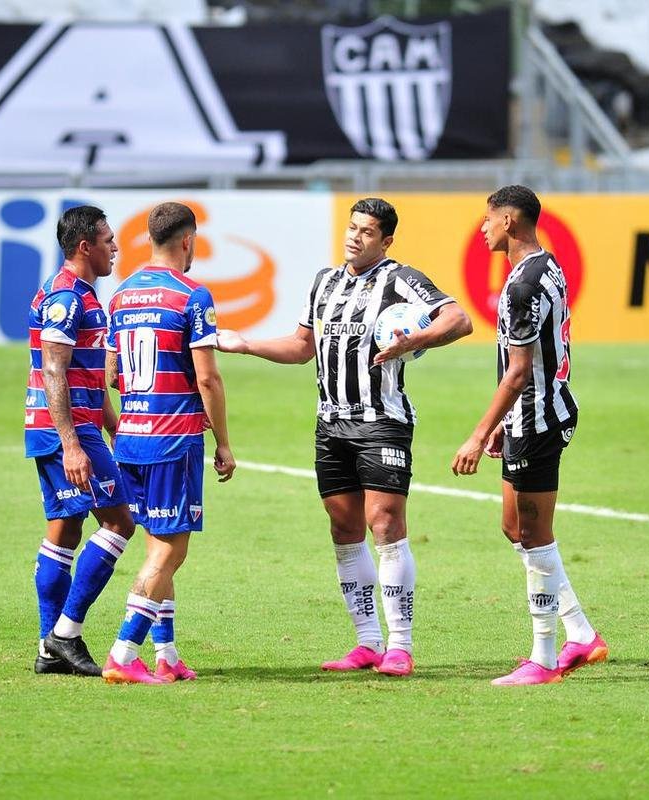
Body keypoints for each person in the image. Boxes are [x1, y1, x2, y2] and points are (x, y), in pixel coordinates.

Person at [218, 197, 472, 677]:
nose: (355, 236)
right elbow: (300, 348)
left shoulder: (400, 280)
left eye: (367, 231)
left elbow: (458, 319)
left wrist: (411, 342)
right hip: (330, 424)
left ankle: (400, 645)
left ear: (386, 240)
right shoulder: (325, 282)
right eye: (352, 227)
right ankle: (367, 642)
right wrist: (245, 343)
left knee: (385, 524)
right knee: (344, 530)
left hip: (382, 420)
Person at [451, 185, 607, 686]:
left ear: (511, 221)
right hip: (526, 417)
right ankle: (580, 633)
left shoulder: (521, 287)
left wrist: (478, 433)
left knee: (535, 535)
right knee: (513, 527)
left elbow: (518, 372)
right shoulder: (544, 267)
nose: (483, 227)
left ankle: (542, 658)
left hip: (539, 419)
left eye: (489, 219)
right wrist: (503, 422)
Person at [99, 201, 236, 685]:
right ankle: (122, 651)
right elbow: (209, 379)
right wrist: (222, 441)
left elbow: (111, 373)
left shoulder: (120, 295)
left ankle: (167, 653)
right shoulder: (192, 295)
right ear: (186, 241)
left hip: (130, 439)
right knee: (170, 552)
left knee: (157, 544)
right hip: (174, 440)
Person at [26, 205, 139, 677]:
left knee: (66, 529)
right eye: (109, 239)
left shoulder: (83, 296)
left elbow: (85, 375)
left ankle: (49, 647)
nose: (116, 247)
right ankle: (64, 635)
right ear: (85, 247)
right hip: (65, 431)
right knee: (119, 523)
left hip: (75, 426)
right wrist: (72, 443)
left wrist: (113, 425)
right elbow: (54, 369)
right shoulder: (67, 297)